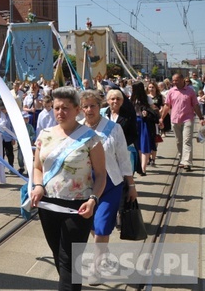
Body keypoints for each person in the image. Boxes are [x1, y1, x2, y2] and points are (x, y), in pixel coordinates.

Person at [29, 86, 106, 291]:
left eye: (65, 108)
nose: (60, 113)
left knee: (70, 261)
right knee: (59, 257)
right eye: (56, 108)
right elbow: (37, 167)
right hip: (48, 206)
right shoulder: (44, 135)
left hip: (79, 207)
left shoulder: (90, 138)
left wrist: (92, 200)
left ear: (77, 109)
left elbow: (101, 175)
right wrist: (38, 186)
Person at [78, 90, 135, 285]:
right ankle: (103, 251)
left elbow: (123, 158)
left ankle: (96, 267)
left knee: (102, 227)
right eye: (85, 106)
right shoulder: (77, 128)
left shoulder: (113, 128)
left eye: (92, 105)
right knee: (92, 225)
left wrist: (131, 184)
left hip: (110, 183)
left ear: (99, 107)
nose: (89, 110)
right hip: (85, 185)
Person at [159, 73, 204, 172]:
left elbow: (196, 105)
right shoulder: (171, 91)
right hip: (175, 119)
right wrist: (162, 118)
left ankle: (187, 162)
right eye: (173, 80)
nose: (174, 82)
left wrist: (201, 117)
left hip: (188, 119)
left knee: (187, 141)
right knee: (179, 141)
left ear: (182, 80)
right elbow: (167, 106)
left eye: (177, 80)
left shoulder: (190, 91)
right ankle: (182, 159)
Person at [130, 81, 158, 175]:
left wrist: (147, 112)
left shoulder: (147, 98)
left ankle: (143, 168)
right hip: (136, 122)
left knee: (144, 145)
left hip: (144, 122)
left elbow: (152, 110)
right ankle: (140, 167)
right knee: (138, 146)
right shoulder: (132, 99)